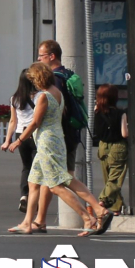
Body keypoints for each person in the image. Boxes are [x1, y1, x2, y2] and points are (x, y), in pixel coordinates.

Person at [9, 61, 109, 235]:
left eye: (33, 79)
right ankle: (28, 222)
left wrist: (18, 140)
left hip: (48, 143)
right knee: (34, 182)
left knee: (57, 185)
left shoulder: (44, 97)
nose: (33, 83)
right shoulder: (57, 93)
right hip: (52, 141)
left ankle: (88, 217)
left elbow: (35, 123)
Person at [36, 39, 87, 173]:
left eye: (41, 56)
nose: (38, 59)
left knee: (56, 179)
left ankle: (84, 195)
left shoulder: (55, 79)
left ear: (52, 56)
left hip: (60, 135)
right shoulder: (68, 74)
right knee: (60, 177)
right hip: (71, 132)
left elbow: (56, 109)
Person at [3, 70, 39, 215]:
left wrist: (7, 141)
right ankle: (34, 200)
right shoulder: (40, 97)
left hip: (20, 135)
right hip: (34, 134)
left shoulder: (14, 98)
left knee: (26, 167)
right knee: (38, 170)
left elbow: (13, 121)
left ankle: (24, 195)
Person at [91, 83, 128, 215]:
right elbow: (124, 134)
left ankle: (116, 207)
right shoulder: (121, 113)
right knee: (115, 179)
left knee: (108, 178)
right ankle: (104, 200)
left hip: (102, 146)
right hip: (117, 146)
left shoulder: (96, 111)